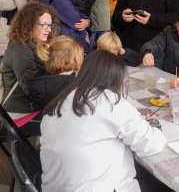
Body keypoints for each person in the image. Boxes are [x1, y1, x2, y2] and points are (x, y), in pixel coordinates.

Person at [40, 50, 166, 191]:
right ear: (115, 79)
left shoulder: (62, 99)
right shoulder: (109, 101)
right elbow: (151, 144)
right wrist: (153, 125)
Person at [18, 36, 84, 136]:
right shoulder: (80, 85)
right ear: (73, 60)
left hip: (48, 133)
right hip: (74, 134)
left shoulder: (37, 84)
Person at [1, 2, 57, 114]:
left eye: (50, 25)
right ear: (30, 24)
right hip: (21, 113)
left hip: (35, 108)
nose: (49, 29)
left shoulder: (40, 44)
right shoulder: (19, 47)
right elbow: (32, 87)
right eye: (44, 25)